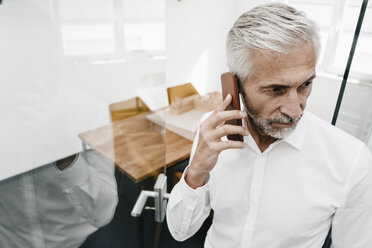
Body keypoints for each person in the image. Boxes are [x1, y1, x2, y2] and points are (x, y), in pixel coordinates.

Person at [166, 2, 372, 248]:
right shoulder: (212, 134)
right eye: (276, 89)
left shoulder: (351, 160)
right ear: (236, 83)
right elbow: (180, 231)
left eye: (305, 85)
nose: (295, 110)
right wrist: (196, 172)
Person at [0, 150, 118, 248]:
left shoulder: (87, 122)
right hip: (10, 240)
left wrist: (65, 152)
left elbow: (102, 213)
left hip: (81, 241)